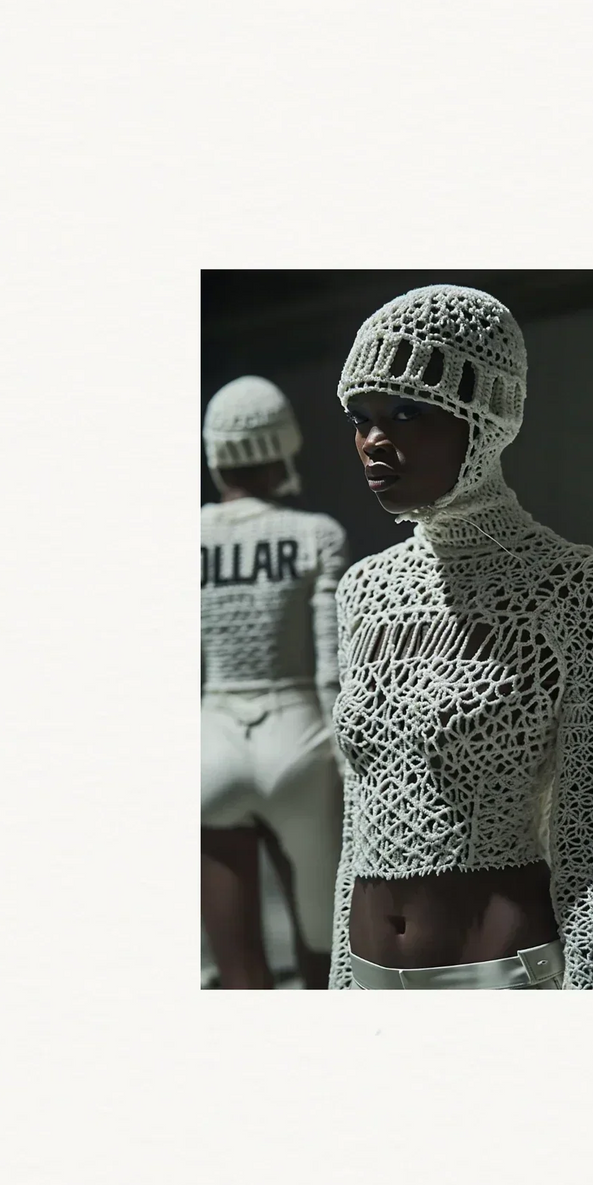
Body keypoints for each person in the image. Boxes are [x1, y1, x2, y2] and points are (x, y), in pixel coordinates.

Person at [327, 286, 593, 990]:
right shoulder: (362, 591)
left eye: (408, 411)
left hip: (500, 972)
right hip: (369, 968)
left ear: (486, 418)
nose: (375, 439)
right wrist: (339, 982)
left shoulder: (575, 587)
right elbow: (357, 824)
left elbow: (588, 839)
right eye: (361, 417)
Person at [200, 375, 348, 989]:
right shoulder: (318, 534)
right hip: (300, 742)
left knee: (238, 978)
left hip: (211, 742)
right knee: (324, 953)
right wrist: (348, 763)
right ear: (283, 445)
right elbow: (330, 668)